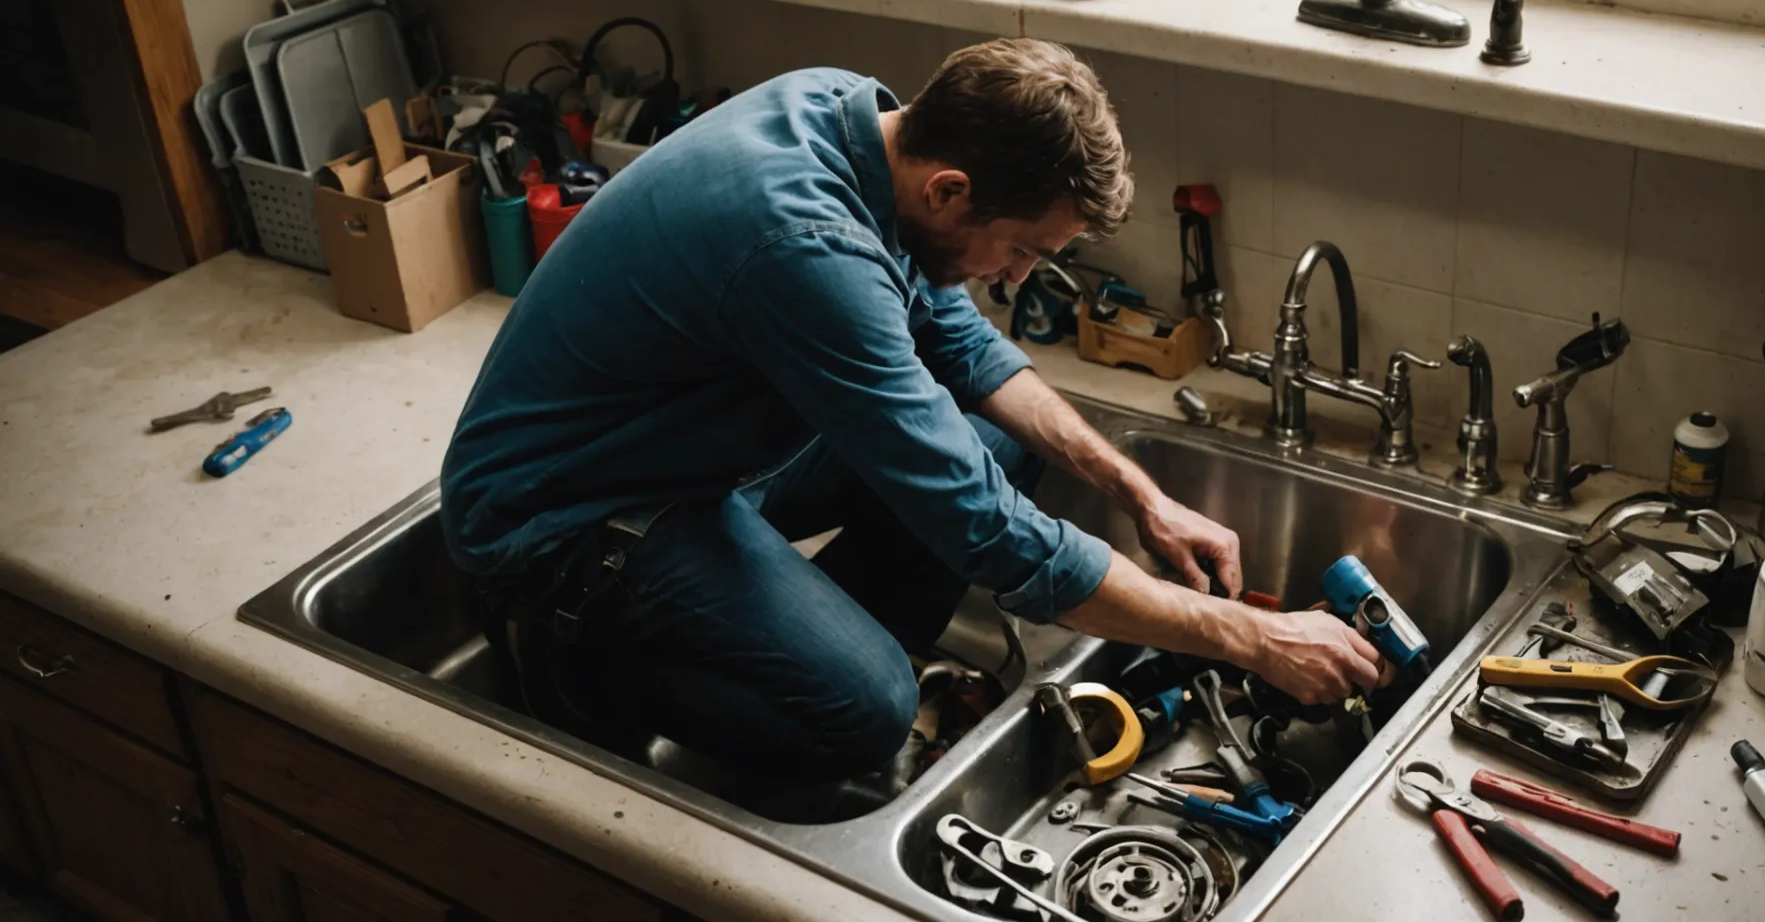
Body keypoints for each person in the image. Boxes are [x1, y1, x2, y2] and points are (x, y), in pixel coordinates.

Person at [440, 38, 1384, 781]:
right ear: (950, 191)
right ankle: (593, 667)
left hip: (682, 454)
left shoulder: (857, 118)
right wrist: (1253, 637)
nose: (1017, 278)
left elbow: (963, 347)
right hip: (564, 522)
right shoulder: (803, 246)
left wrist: (1140, 492)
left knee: (999, 452)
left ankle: (802, 647)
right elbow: (982, 532)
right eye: (1020, 250)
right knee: (866, 713)